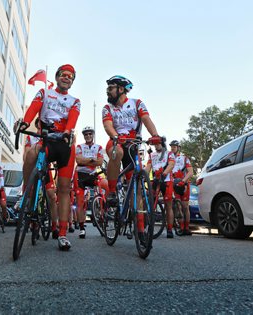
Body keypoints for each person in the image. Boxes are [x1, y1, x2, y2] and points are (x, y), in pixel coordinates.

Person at [15, 64, 80, 250]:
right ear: (57, 77)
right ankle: (27, 194)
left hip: (64, 142)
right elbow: (34, 108)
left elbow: (72, 118)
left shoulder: (75, 101)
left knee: (64, 189)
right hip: (46, 140)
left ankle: (62, 233)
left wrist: (67, 132)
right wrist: (25, 122)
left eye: (70, 76)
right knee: (31, 154)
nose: (66, 78)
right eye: (63, 75)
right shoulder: (44, 93)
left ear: (72, 81)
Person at [102, 75, 162, 203]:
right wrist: (116, 137)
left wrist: (155, 136)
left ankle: (138, 221)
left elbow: (146, 119)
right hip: (116, 142)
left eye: (111, 88)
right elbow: (108, 126)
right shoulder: (107, 108)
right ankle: (112, 190)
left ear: (121, 89)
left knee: (137, 189)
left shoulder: (136, 103)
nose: (108, 91)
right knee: (116, 152)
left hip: (133, 145)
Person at [73, 126, 104, 238]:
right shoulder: (79, 147)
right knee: (80, 202)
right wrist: (92, 160)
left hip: (93, 175)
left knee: (106, 185)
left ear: (93, 135)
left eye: (90, 134)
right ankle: (81, 227)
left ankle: (102, 213)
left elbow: (100, 162)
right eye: (86, 134)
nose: (88, 136)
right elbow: (78, 160)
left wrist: (86, 161)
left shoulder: (99, 147)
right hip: (80, 175)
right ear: (84, 136)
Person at [145, 139, 176, 238]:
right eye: (155, 144)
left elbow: (171, 164)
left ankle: (170, 229)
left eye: (158, 143)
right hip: (155, 181)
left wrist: (164, 174)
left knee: (168, 205)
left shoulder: (169, 153)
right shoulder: (152, 155)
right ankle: (145, 227)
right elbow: (148, 167)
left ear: (162, 144)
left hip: (166, 181)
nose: (156, 145)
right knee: (150, 202)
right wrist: (143, 176)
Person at [170, 140, 194, 236]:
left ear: (178, 147)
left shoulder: (184, 158)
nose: (172, 148)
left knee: (185, 207)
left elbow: (190, 172)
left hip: (184, 185)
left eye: (174, 147)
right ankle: (181, 227)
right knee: (178, 207)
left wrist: (183, 181)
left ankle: (186, 228)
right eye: (171, 147)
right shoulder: (169, 159)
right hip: (174, 185)